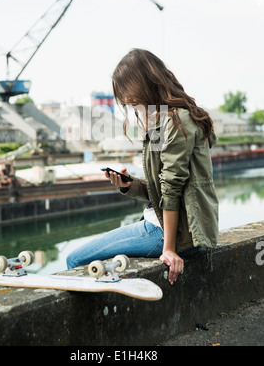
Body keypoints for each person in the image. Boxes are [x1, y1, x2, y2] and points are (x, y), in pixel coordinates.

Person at [66, 49, 219, 284]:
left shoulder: (176, 122)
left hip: (168, 234)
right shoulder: (162, 120)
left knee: (75, 260)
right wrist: (130, 186)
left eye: (129, 93)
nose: (127, 101)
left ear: (147, 82)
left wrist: (169, 248)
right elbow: (160, 188)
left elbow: (171, 188)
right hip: (162, 227)